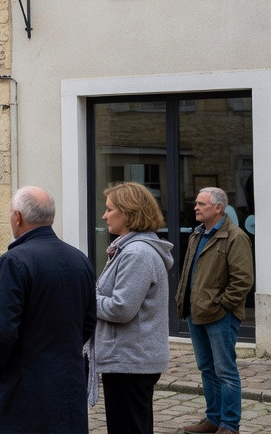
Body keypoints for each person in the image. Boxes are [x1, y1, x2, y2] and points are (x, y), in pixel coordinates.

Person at [0, 186, 95, 434]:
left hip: (24, 384)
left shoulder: (14, 261)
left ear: (18, 217)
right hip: (68, 379)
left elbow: (2, 330)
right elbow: (89, 320)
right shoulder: (79, 258)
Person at [92, 182, 173, 434]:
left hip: (130, 361)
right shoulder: (129, 248)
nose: (104, 216)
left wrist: (86, 299)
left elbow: (121, 308)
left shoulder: (136, 253)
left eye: (109, 209)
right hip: (130, 359)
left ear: (127, 213)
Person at [175, 187, 254, 434]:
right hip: (195, 312)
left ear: (218, 208)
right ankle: (213, 419)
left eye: (201, 204)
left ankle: (229, 425)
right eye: (196, 203)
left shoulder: (235, 237)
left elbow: (243, 280)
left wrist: (223, 305)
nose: (195, 207)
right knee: (207, 369)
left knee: (225, 371)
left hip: (220, 315)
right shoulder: (197, 235)